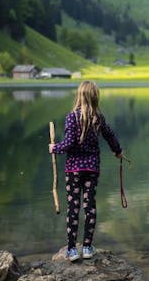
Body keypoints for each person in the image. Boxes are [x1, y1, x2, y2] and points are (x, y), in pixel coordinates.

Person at [48, 80, 123, 262]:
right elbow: (110, 135)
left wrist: (54, 147)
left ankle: (72, 250)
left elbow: (69, 143)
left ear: (80, 95)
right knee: (89, 206)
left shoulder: (71, 117)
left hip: (73, 170)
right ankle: (88, 247)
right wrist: (118, 151)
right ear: (95, 97)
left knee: (73, 208)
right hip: (92, 169)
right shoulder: (99, 118)